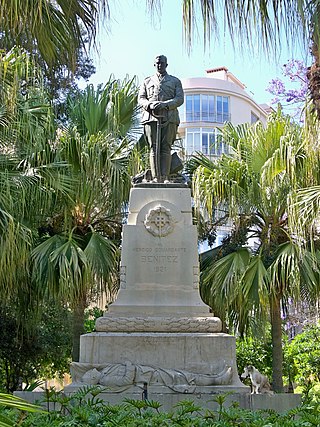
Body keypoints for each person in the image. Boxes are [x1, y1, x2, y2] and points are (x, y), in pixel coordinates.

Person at [138, 55, 184, 183]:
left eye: (162, 63)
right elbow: (141, 98)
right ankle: (155, 177)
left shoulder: (175, 81)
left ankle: (164, 177)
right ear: (154, 65)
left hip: (169, 117)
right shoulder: (147, 81)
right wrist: (149, 105)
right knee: (153, 147)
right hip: (151, 117)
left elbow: (180, 98)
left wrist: (166, 104)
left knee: (166, 147)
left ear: (166, 65)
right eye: (157, 63)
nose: (160, 65)